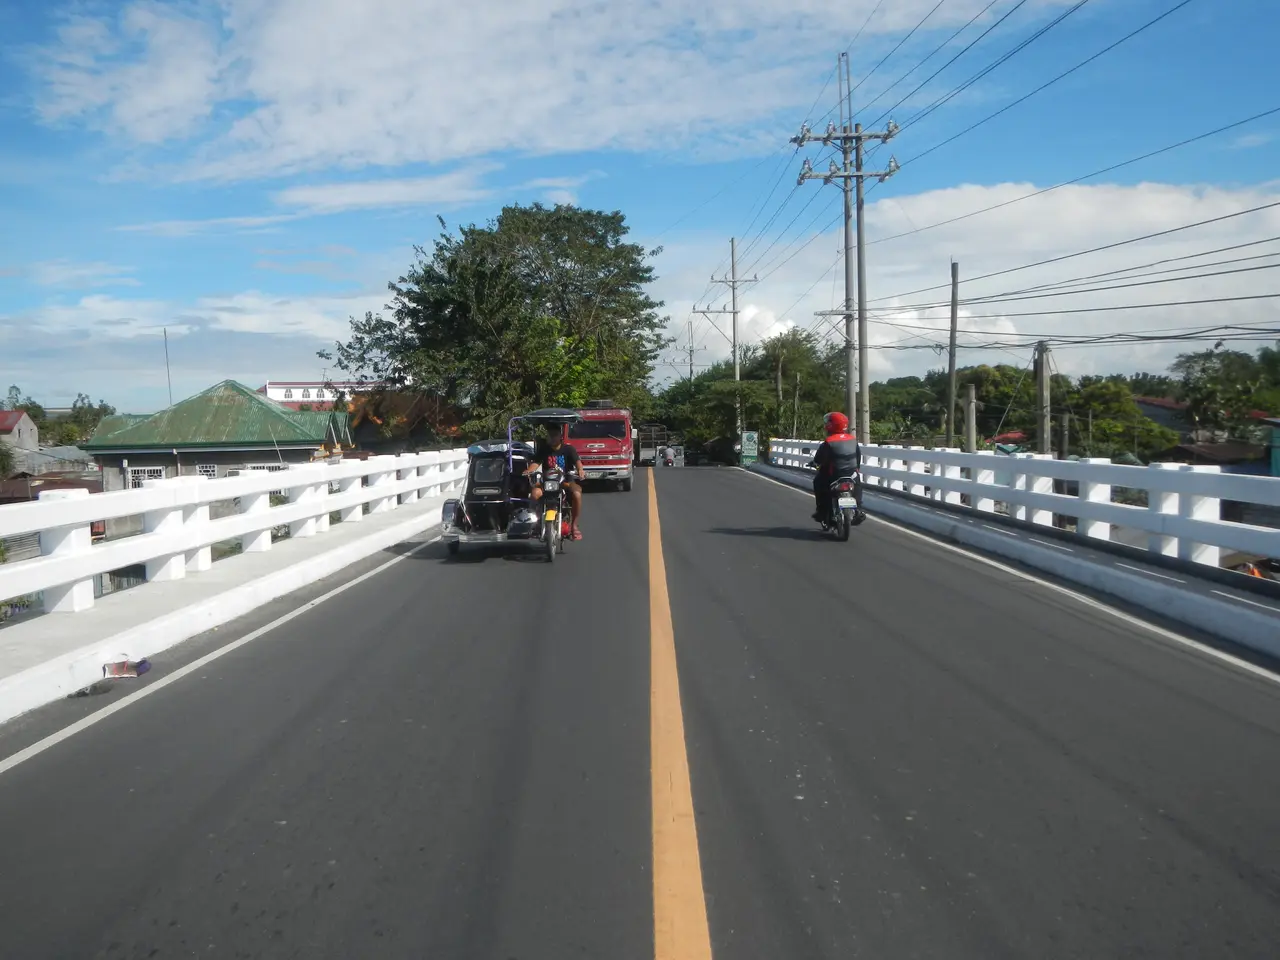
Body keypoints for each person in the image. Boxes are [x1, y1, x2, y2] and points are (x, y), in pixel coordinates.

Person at [525, 423, 584, 539]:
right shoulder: (544, 450)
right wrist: (528, 471)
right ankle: (536, 522)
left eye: (554, 435)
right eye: (549, 435)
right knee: (534, 494)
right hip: (547, 482)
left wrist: (581, 470)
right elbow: (535, 463)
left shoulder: (569, 449)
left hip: (565, 481)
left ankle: (574, 525)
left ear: (560, 436)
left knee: (577, 494)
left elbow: (578, 463)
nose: (551, 437)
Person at [811, 411, 862, 523]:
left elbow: (819, 459)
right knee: (857, 484)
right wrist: (856, 469)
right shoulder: (852, 440)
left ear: (831, 425)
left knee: (817, 482)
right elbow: (858, 456)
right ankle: (858, 509)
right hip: (851, 473)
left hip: (834, 474)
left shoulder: (828, 442)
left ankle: (821, 511)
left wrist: (814, 463)